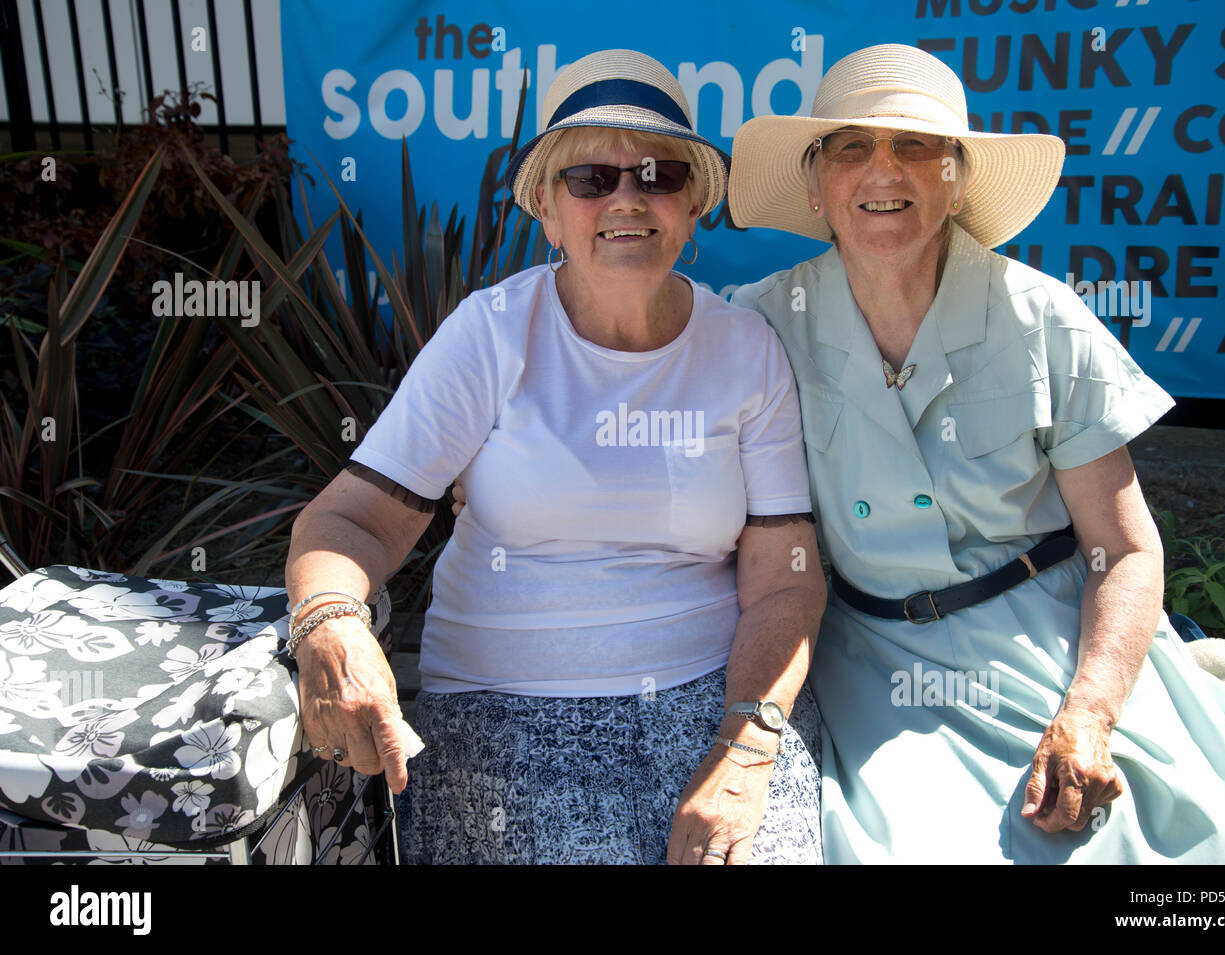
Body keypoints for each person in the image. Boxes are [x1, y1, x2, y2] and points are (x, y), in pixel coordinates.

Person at [725, 43, 1225, 863]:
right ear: (816, 184)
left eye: (916, 145)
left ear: (956, 177)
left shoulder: (1044, 319)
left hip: (1051, 639)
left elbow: (1128, 549)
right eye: (853, 146)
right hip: (871, 655)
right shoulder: (763, 323)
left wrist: (1091, 710)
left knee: (1181, 841)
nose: (883, 170)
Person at [284, 49, 825, 865]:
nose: (627, 199)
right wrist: (331, 621)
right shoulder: (491, 334)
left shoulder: (745, 349)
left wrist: (746, 748)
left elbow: (785, 575)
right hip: (508, 710)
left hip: (717, 699)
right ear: (544, 204)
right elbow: (351, 518)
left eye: (657, 174)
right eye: (590, 180)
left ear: (693, 205)